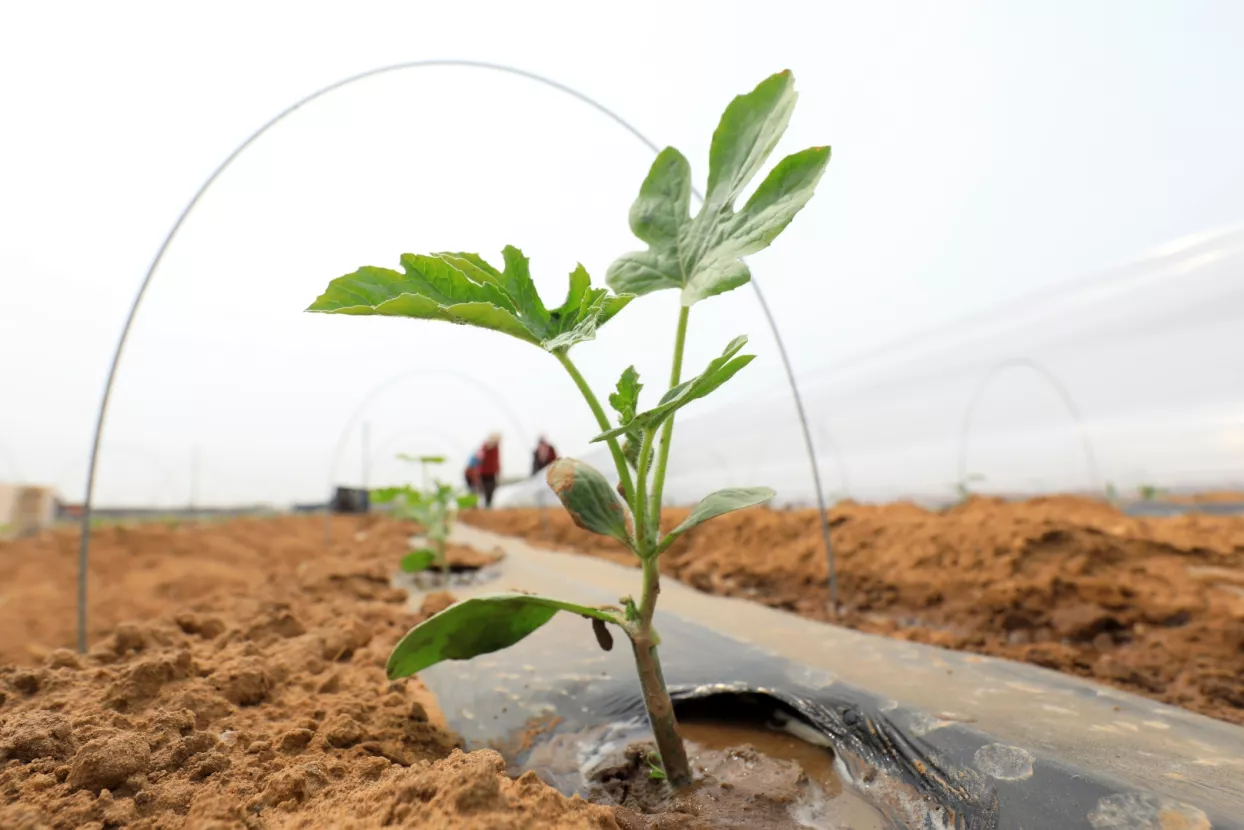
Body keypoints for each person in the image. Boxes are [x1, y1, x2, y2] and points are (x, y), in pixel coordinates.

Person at [478, 433, 501, 508]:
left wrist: (498, 469)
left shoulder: (496, 447)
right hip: (484, 472)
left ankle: (489, 504)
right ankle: (486, 504)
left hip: (492, 472)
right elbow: (480, 456)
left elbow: (496, 459)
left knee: (492, 488)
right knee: (487, 488)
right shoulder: (485, 446)